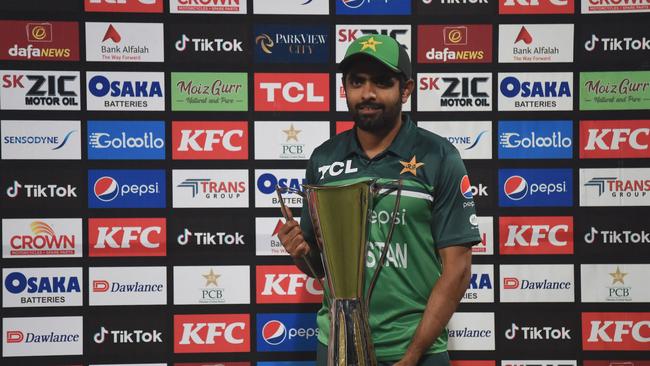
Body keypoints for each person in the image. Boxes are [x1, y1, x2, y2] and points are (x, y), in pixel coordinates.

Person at [278, 34, 481, 366]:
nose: (367, 93)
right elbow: (320, 268)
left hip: (416, 350)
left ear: (406, 89)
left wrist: (413, 354)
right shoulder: (323, 160)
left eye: (382, 82)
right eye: (356, 82)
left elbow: (458, 268)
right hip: (338, 345)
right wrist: (299, 252)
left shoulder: (439, 156)